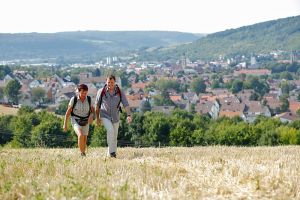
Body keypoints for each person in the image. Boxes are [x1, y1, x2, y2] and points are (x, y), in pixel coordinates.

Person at [95, 75, 132, 158]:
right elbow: (97, 106)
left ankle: (111, 153)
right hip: (104, 115)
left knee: (114, 136)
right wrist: (97, 119)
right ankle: (112, 153)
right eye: (108, 82)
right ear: (106, 82)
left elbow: (125, 104)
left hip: (115, 116)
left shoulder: (119, 91)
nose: (110, 84)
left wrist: (128, 115)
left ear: (115, 82)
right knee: (110, 131)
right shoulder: (101, 91)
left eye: (112, 82)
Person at [63, 84, 94, 156]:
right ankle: (82, 154)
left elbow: (93, 111)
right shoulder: (73, 99)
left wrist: (91, 116)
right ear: (79, 92)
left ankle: (83, 152)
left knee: (84, 139)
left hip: (86, 121)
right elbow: (68, 112)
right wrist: (65, 124)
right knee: (80, 135)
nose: (84, 94)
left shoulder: (89, 99)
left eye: (85, 93)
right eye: (82, 92)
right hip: (75, 120)